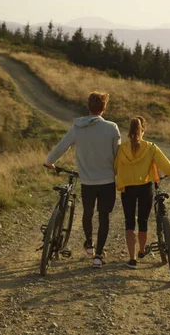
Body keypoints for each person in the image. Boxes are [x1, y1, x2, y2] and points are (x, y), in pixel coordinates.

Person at [44, 91, 120, 268]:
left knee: (87, 212)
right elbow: (117, 155)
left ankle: (89, 244)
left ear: (88, 107)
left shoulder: (77, 128)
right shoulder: (112, 127)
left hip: (87, 181)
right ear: (104, 108)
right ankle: (98, 256)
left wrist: (49, 162)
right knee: (104, 216)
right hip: (107, 180)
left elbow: (61, 147)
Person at [114, 116, 170, 269]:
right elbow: (167, 169)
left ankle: (132, 259)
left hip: (127, 188)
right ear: (144, 129)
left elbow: (115, 168)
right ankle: (141, 250)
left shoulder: (121, 149)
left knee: (129, 222)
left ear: (130, 130)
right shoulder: (151, 147)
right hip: (145, 187)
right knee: (143, 221)